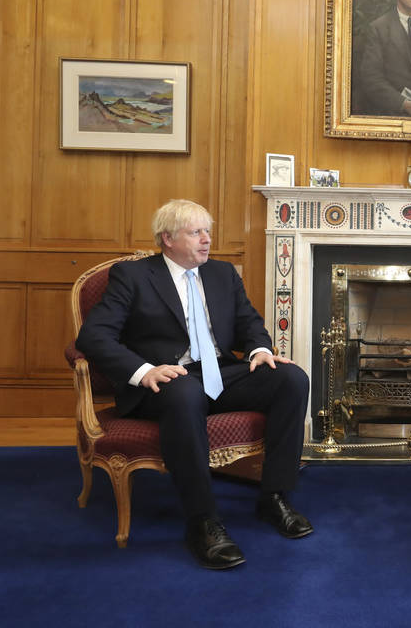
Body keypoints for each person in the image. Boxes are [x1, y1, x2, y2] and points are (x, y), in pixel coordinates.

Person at [75, 199, 312, 570]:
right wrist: (143, 370)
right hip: (165, 381)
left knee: (291, 378)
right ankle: (203, 521)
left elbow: (250, 322)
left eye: (208, 232)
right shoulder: (133, 276)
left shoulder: (222, 274)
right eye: (196, 232)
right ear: (167, 238)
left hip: (220, 372)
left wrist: (260, 349)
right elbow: (93, 337)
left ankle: (274, 497)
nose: (206, 240)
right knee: (184, 391)